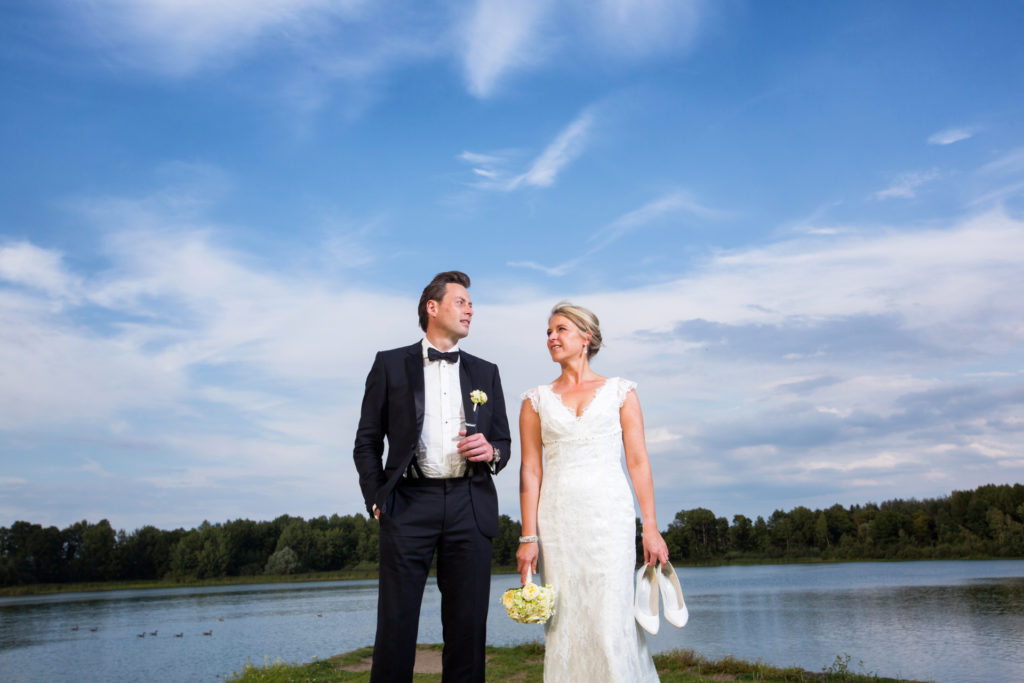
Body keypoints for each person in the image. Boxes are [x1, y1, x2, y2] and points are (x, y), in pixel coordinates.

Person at [353, 270, 512, 683]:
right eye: (461, 302)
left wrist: (491, 451)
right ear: (433, 307)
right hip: (408, 503)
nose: (470, 310)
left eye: (472, 304)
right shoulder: (389, 364)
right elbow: (367, 440)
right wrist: (377, 497)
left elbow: (504, 442)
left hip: (471, 504)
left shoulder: (486, 371)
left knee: (467, 629)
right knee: (396, 626)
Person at [517, 301, 669, 682]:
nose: (551, 338)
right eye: (548, 332)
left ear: (586, 338)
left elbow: (637, 462)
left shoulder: (621, 392)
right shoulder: (535, 401)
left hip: (609, 520)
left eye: (560, 330)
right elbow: (531, 471)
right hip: (558, 523)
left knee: (611, 616)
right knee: (565, 620)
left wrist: (650, 527)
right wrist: (528, 536)